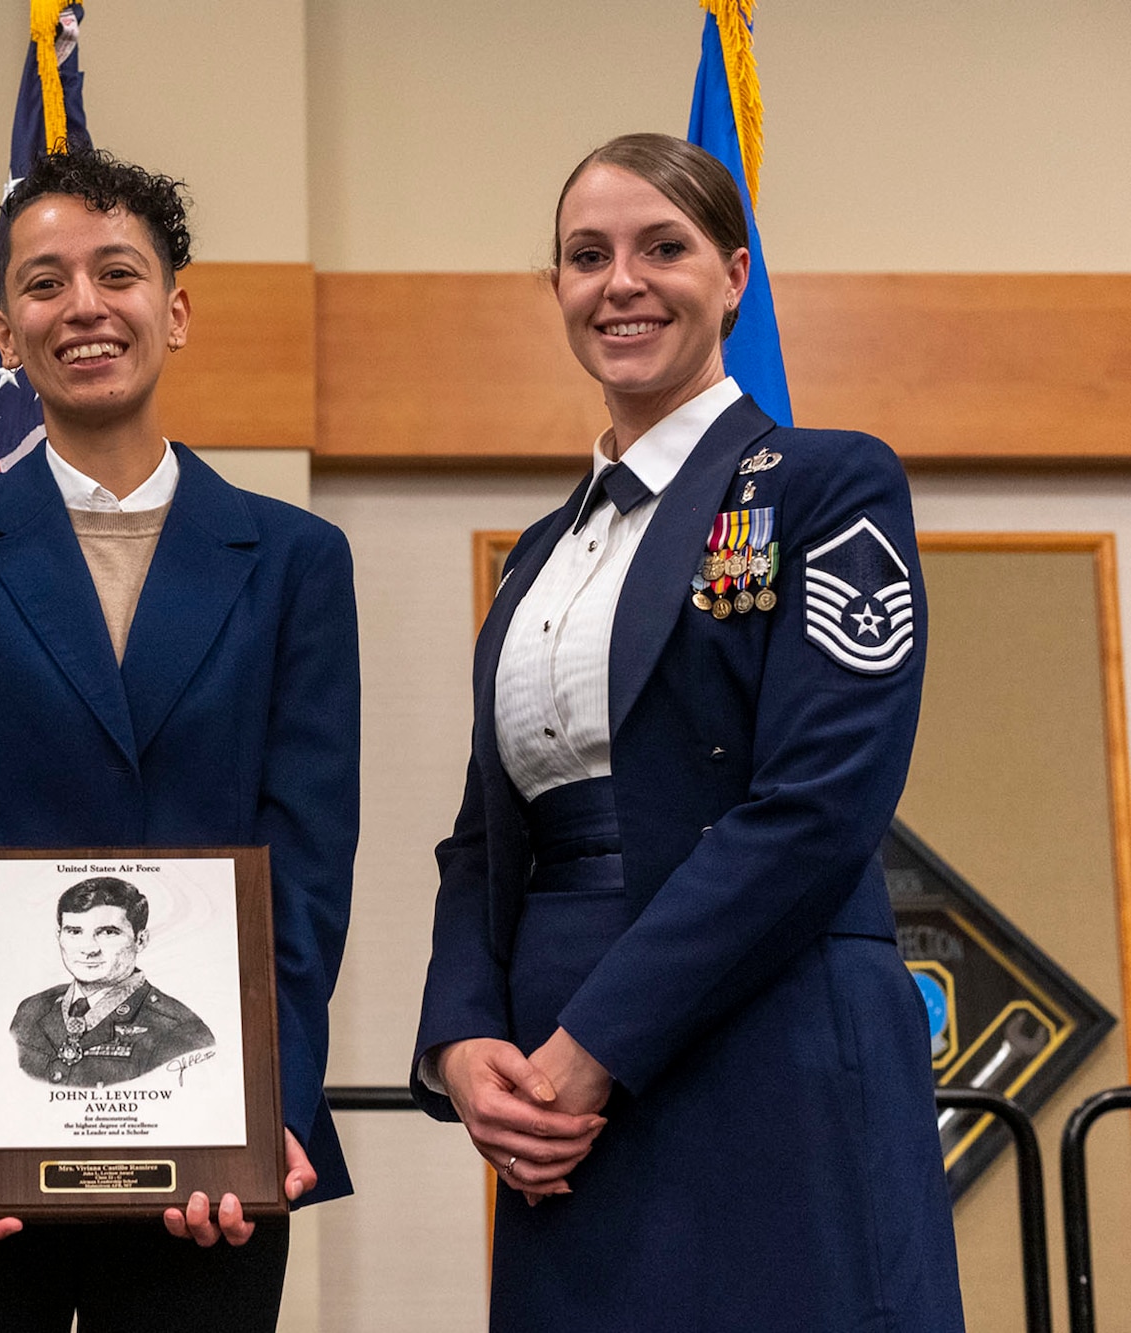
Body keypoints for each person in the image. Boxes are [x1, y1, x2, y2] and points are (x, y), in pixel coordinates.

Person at [411, 133, 966, 1330]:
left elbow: (817, 804)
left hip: (761, 1026)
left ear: (732, 274)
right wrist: (461, 1041)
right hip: (558, 1089)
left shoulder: (827, 484)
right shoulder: (539, 558)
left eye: (661, 248)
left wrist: (593, 1044)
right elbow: (479, 839)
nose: (621, 283)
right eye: (584, 255)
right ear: (553, 289)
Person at [0, 147, 360, 1331]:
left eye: (116, 273)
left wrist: (265, 1094)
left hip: (202, 1129)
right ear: (4, 333)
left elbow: (306, 866)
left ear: (173, 310)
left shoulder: (293, 560)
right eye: (43, 282)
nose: (83, 306)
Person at [9, 875, 215, 1085]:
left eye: (108, 932)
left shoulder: (180, 1031)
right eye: (74, 932)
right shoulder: (31, 1011)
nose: (88, 949)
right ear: (59, 935)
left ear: (140, 940)